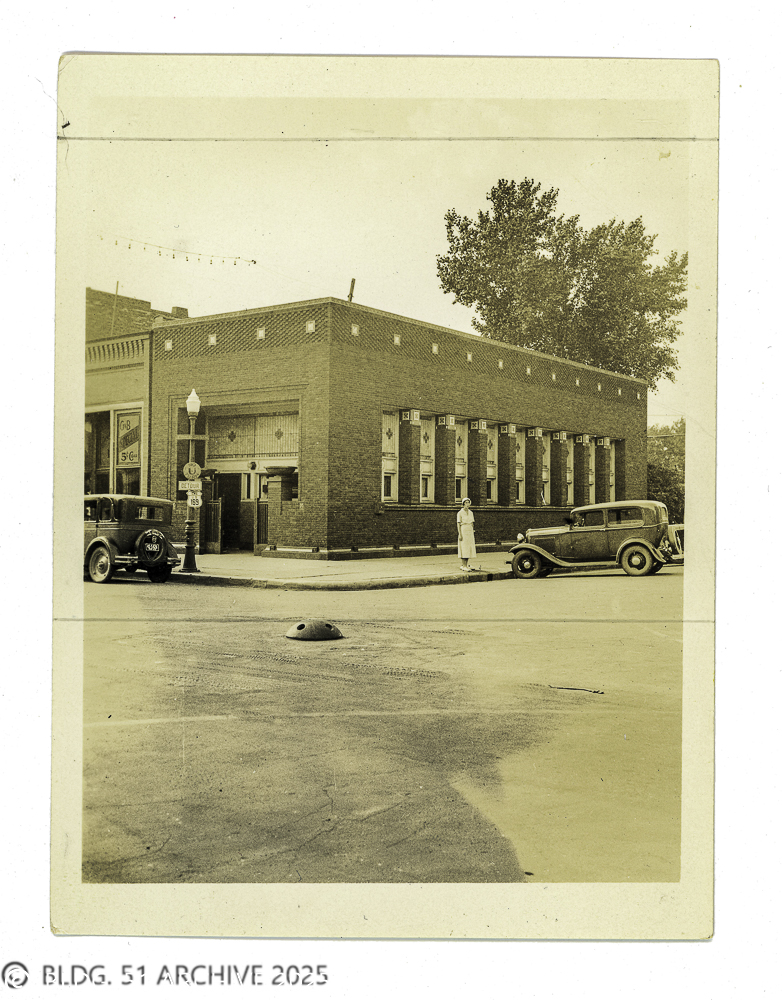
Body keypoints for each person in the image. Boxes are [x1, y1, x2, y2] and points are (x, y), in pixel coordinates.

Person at [457, 497, 478, 572]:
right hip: (463, 530)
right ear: (463, 504)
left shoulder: (471, 513)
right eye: (466, 503)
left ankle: (466, 564)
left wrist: (472, 530)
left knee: (469, 548)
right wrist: (460, 534)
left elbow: (472, 523)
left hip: (469, 531)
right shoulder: (460, 513)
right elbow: (458, 524)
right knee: (464, 547)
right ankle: (464, 565)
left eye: (468, 503)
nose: (467, 504)